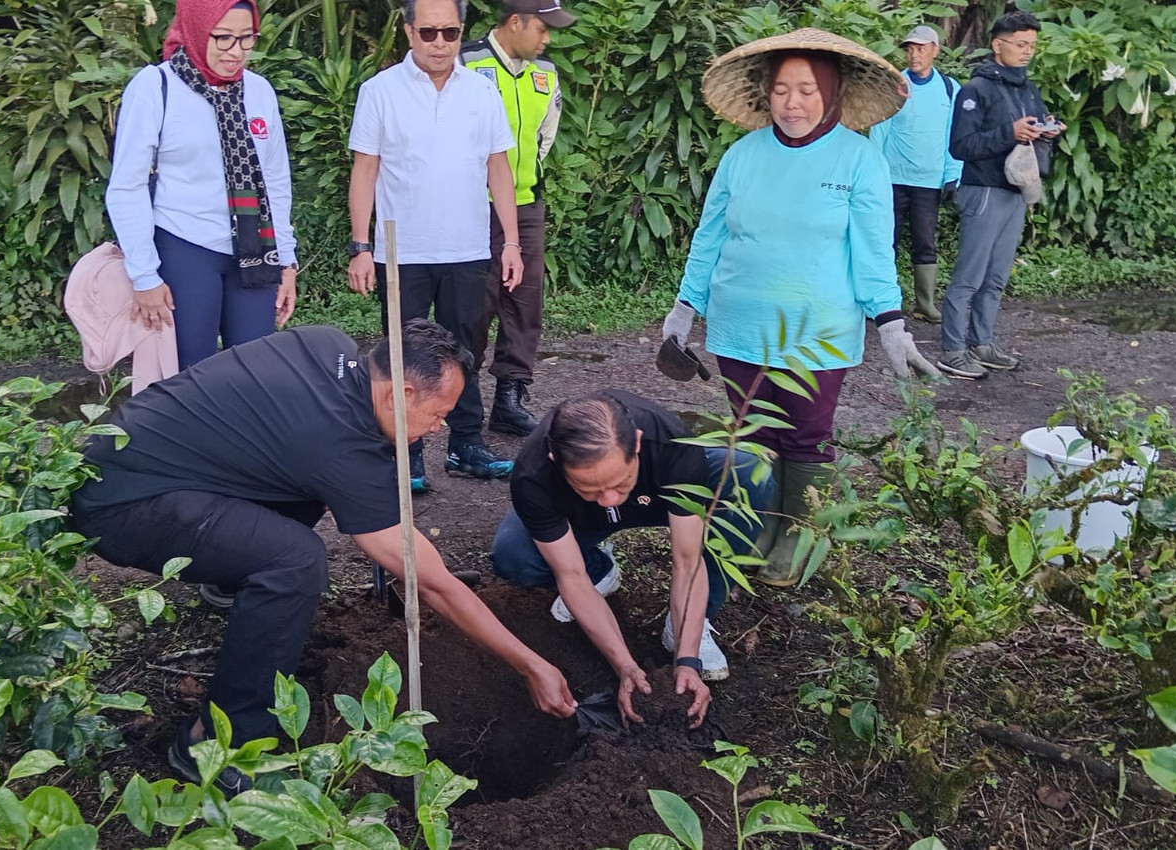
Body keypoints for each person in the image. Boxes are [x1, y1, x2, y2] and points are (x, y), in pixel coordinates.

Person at [69, 320, 576, 795]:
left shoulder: (325, 343)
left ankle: (230, 574)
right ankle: (218, 744)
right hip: (122, 503)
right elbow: (433, 582)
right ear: (401, 394)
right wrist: (529, 664)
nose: (440, 427)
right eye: (437, 414)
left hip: (134, 455)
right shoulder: (340, 446)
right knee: (294, 561)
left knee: (297, 490)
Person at [662, 29, 939, 588]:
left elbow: (873, 250)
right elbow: (710, 237)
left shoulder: (859, 159)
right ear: (766, 94)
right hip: (740, 326)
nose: (793, 103)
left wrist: (890, 324)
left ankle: (799, 528)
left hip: (819, 330)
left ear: (831, 93)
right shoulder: (742, 156)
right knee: (752, 429)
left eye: (807, 90)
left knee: (806, 433)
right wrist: (684, 309)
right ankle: (763, 519)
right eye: (782, 90)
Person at [492, 390, 774, 725]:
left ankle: (691, 623)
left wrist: (687, 660)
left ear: (637, 443)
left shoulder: (671, 444)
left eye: (619, 481)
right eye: (590, 488)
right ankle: (600, 569)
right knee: (515, 555)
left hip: (657, 495)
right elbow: (571, 576)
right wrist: (625, 667)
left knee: (746, 471)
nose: (610, 500)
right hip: (580, 516)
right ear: (555, 461)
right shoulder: (534, 475)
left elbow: (687, 561)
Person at [347, 0, 523, 490]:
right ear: (408, 32)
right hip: (401, 249)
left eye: (450, 32)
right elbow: (365, 170)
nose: (440, 43)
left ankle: (466, 444)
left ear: (462, 31)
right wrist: (360, 246)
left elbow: (498, 168)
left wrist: (511, 242)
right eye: (428, 33)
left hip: (466, 247)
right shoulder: (379, 91)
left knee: (466, 349)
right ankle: (406, 453)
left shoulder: (482, 91)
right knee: (403, 354)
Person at [106, 0, 298, 370]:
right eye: (223, 37)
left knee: (256, 371)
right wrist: (144, 276)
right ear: (196, 29)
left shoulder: (258, 91)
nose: (236, 51)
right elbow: (127, 186)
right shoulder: (155, 86)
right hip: (184, 246)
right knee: (190, 375)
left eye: (247, 38)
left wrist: (286, 260)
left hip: (254, 250)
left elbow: (275, 180)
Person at [460, 0, 576, 437]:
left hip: (526, 202)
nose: (547, 38)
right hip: (472, 205)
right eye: (542, 29)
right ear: (514, 22)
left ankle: (510, 397)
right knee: (476, 303)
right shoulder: (467, 63)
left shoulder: (545, 73)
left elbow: (546, 135)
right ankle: (463, 395)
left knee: (525, 302)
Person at [937, 11, 1064, 380]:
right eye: (1020, 44)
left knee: (996, 277)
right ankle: (953, 350)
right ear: (997, 45)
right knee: (969, 276)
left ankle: (982, 344)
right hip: (983, 191)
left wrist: (1046, 131)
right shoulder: (975, 90)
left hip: (1016, 191)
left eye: (1032, 46)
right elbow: (961, 146)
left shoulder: (1028, 89)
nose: (1027, 51)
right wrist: (1010, 133)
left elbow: (1031, 129)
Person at [868, 25, 963, 323]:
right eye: (910, 49)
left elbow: (954, 135)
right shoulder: (894, 85)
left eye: (921, 48)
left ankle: (925, 304)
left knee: (925, 243)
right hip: (892, 180)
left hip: (929, 182)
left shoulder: (950, 88)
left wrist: (953, 176)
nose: (914, 55)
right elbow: (879, 131)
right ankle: (881, 303)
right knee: (885, 241)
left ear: (935, 50)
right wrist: (873, 175)